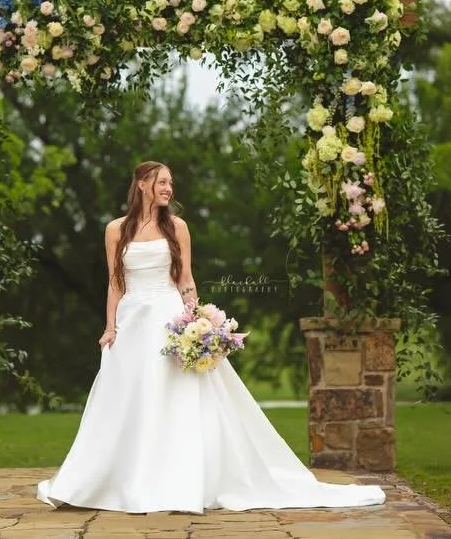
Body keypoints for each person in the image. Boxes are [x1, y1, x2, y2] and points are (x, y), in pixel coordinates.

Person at [36, 161, 386, 513]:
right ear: (142, 184)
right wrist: (110, 326)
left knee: (175, 396)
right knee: (130, 396)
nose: (168, 188)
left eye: (171, 182)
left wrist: (198, 320)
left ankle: (180, 478)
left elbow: (185, 279)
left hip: (168, 316)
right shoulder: (115, 230)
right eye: (161, 182)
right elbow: (115, 281)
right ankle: (121, 479)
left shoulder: (177, 227)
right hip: (132, 320)